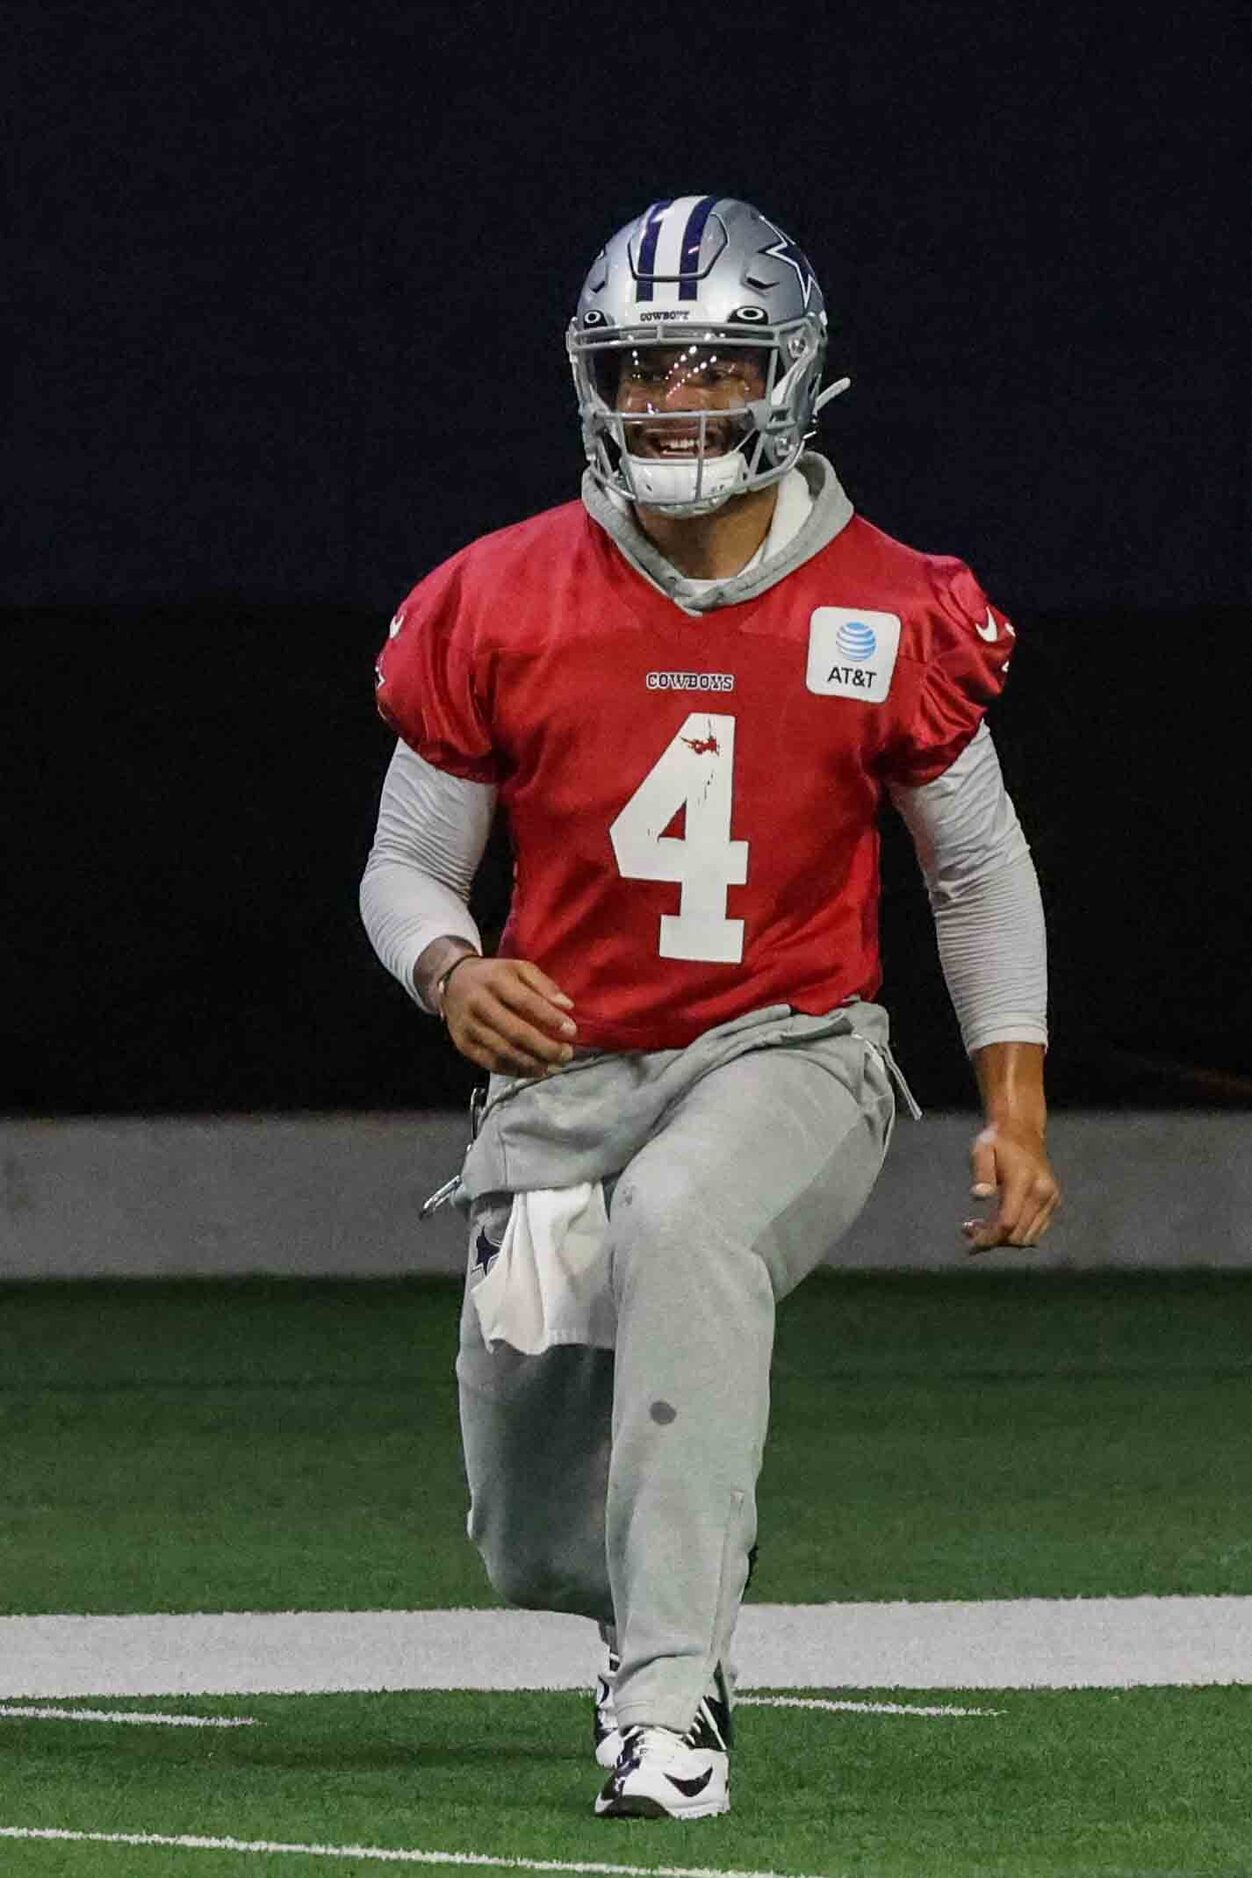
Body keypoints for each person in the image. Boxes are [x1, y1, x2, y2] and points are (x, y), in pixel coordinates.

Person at [360, 195, 1059, 1821]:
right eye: (644, 368)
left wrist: (1014, 1098)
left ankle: (671, 1705)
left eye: (713, 363)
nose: (676, 402)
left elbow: (977, 873)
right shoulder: (499, 595)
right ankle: (654, 1597)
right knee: (534, 1537)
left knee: (685, 1219)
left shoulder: (890, 605)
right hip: (570, 1076)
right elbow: (405, 862)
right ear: (594, 386)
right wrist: (453, 969)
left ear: (792, 377)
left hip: (796, 1046)